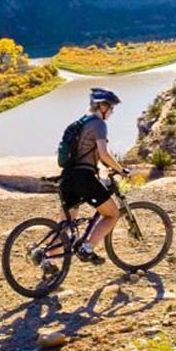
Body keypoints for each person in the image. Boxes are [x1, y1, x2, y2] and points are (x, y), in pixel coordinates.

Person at [49, 88, 129, 268]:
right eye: (111, 108)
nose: (112, 112)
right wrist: (120, 170)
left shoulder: (80, 123)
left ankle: (46, 257)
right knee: (112, 214)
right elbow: (104, 154)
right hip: (83, 178)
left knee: (64, 225)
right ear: (102, 106)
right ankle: (87, 248)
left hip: (67, 178)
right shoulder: (99, 124)